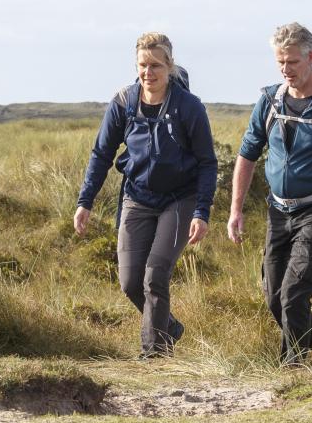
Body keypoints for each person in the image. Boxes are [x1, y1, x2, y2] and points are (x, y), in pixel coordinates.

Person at [227, 22, 312, 364]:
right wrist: (236, 210)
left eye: (292, 62)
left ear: (311, 57)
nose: (286, 70)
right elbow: (246, 155)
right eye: (280, 62)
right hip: (278, 211)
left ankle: (294, 366)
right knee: (275, 297)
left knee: (293, 295)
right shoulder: (269, 102)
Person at [74, 32, 217, 359]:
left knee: (155, 274)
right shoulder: (124, 102)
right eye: (142, 65)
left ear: (169, 66)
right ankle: (169, 326)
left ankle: (154, 353)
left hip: (180, 199)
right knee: (129, 282)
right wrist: (85, 202)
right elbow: (101, 154)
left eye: (155, 65)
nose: (148, 72)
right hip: (137, 197)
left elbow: (208, 162)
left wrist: (201, 211)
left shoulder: (188, 107)